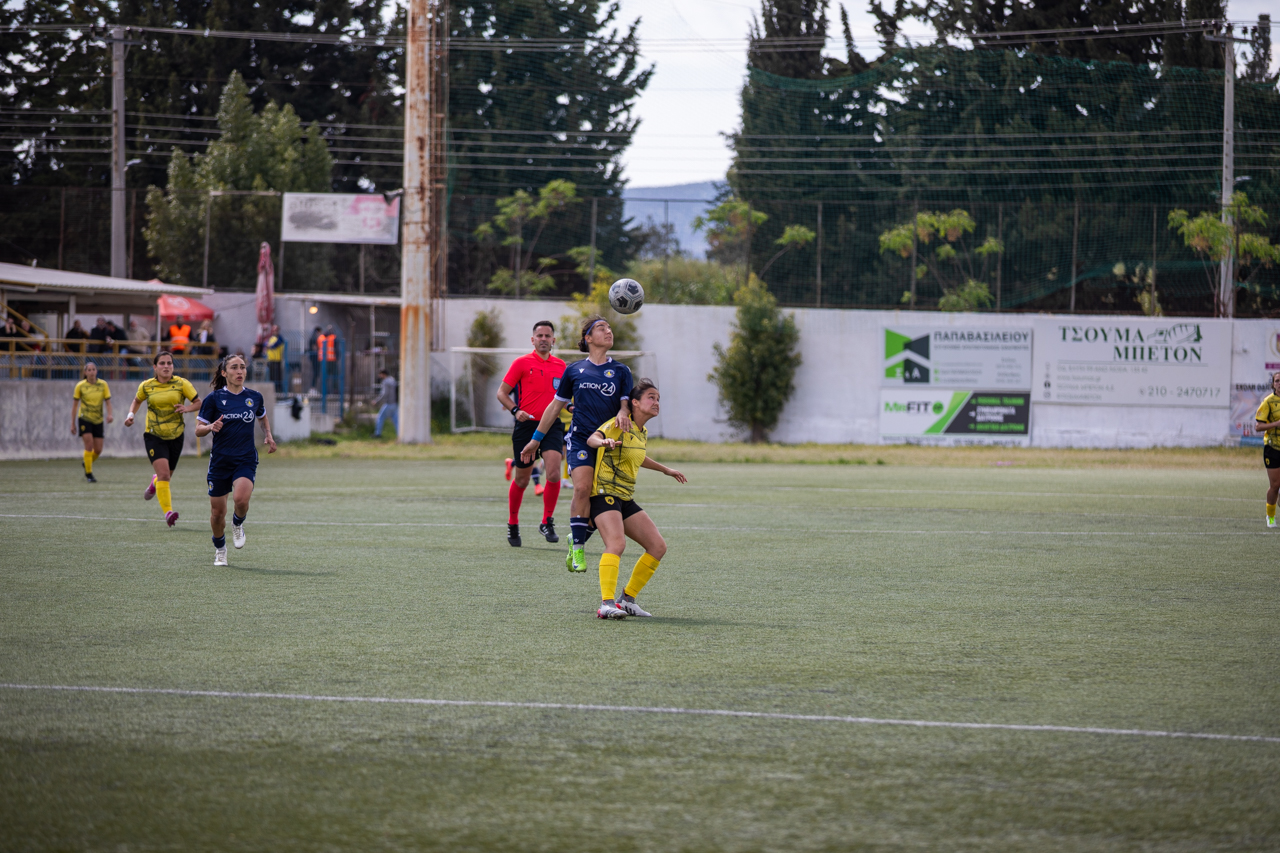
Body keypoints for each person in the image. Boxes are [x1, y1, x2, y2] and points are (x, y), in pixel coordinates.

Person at [522, 316, 632, 573]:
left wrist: (623, 411)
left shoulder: (622, 371)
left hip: (610, 443)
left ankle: (577, 537)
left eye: (609, 327)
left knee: (602, 498)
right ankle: (579, 550)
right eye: (601, 328)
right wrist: (535, 440)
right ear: (588, 338)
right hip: (581, 439)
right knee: (582, 488)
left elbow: (626, 404)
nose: (608, 331)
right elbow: (554, 407)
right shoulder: (573, 370)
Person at [585, 379, 686, 619]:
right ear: (635, 403)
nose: (656, 402)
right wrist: (604, 442)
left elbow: (638, 456)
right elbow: (591, 439)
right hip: (604, 494)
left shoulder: (642, 432)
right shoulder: (620, 423)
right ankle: (606, 604)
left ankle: (627, 599)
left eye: (658, 398)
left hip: (624, 497)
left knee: (657, 546)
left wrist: (665, 470)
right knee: (617, 544)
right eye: (651, 397)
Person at [196, 354, 276, 567]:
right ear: (224, 372)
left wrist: (268, 434)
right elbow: (198, 430)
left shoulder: (254, 397)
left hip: (245, 459)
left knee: (241, 500)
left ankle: (237, 523)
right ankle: (220, 549)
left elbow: (262, 416)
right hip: (220, 462)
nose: (239, 371)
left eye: (242, 367)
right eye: (234, 367)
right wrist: (210, 427)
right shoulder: (214, 399)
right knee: (217, 514)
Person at [498, 320, 566, 547]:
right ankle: (513, 523)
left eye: (547, 336)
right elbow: (502, 393)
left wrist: (572, 406)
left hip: (552, 425)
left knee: (554, 473)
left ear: (553, 340)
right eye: (540, 336)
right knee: (523, 479)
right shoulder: (521, 363)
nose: (543, 339)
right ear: (533, 339)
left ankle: (547, 521)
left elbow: (564, 398)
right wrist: (515, 411)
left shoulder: (561, 366)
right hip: (527, 426)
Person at [124, 350, 200, 527]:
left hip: (176, 435)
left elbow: (198, 402)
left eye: (169, 363)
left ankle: (154, 482)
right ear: (155, 367)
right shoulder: (146, 386)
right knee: (164, 474)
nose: (166, 366)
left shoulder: (181, 383)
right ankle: (168, 513)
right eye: (162, 363)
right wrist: (130, 415)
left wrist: (187, 409)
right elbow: (137, 400)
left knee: (166, 476)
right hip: (154, 435)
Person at [71, 361, 113, 483]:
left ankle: (87, 462)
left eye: (93, 369)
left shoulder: (103, 385)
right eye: (89, 370)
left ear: (96, 371)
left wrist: (110, 414)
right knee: (89, 445)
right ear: (85, 372)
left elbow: (108, 402)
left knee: (98, 449)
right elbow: (75, 406)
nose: (91, 372)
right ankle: (89, 474)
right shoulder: (80, 386)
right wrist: (72, 423)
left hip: (98, 419)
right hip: (84, 418)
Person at [1255, 371, 1280, 528]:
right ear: (1273, 384)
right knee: (1275, 486)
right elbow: (1258, 426)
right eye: (1277, 380)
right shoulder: (1268, 402)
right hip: (1273, 448)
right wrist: (1276, 424)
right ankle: (1270, 517)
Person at [373, 368, 399, 438]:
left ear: (383, 374)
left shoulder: (385, 382)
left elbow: (384, 393)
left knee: (380, 418)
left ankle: (377, 434)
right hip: (395, 403)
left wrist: (376, 401)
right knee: (396, 420)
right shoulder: (392, 380)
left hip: (389, 403)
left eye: (380, 374)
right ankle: (400, 435)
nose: (379, 376)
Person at [265, 325, 285, 393]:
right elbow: (265, 344)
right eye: (273, 330)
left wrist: (270, 346)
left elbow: (276, 344)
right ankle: (272, 390)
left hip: (277, 359)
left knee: (277, 376)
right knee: (272, 376)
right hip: (270, 359)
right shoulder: (271, 338)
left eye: (276, 330)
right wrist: (267, 345)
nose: (274, 331)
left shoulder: (280, 338)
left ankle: (278, 390)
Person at [306, 326, 322, 393]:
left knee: (316, 372)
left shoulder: (313, 337)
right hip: (315, 358)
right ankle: (313, 387)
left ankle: (313, 387)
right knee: (316, 372)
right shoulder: (314, 338)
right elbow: (314, 348)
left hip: (314, 357)